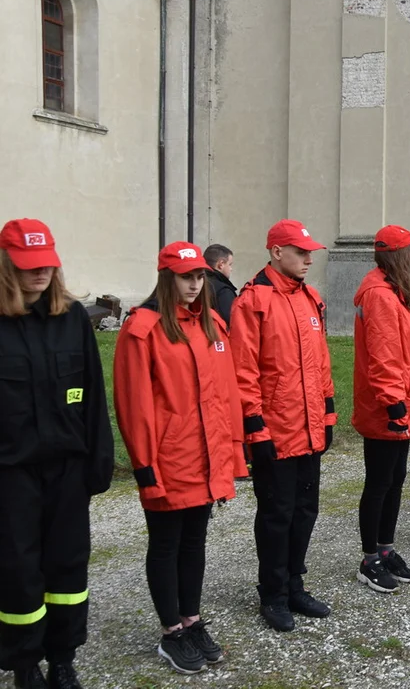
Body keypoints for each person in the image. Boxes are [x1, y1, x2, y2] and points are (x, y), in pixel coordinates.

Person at [114, 242, 246, 675]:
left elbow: (225, 397)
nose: (194, 284)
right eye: (186, 276)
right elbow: (135, 405)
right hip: (169, 459)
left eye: (200, 276)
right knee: (167, 543)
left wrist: (232, 454)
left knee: (195, 542)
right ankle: (171, 631)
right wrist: (145, 466)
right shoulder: (144, 328)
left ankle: (191, 619)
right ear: (167, 276)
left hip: (205, 457)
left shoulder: (212, 325)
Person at [0, 219, 113, 689]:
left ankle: (63, 656)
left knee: (68, 567)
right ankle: (25, 663)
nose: (40, 272)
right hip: (12, 473)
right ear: (7, 266)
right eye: (29, 266)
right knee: (20, 570)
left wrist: (98, 459)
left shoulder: (71, 318)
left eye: (47, 263)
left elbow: (92, 394)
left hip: (67, 468)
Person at [230, 219, 337, 631]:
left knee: (305, 510)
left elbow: (322, 365)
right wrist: (255, 430)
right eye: (300, 251)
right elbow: (244, 372)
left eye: (309, 252)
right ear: (276, 252)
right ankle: (272, 593)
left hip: (308, 428)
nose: (309, 259)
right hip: (275, 432)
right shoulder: (253, 301)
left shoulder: (310, 298)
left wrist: (327, 415)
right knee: (277, 515)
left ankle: (294, 584)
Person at [353, 225, 410, 593]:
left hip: (401, 404)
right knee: (380, 482)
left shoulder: (396, 294)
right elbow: (383, 357)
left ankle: (386, 548)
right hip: (387, 408)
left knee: (395, 480)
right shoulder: (380, 296)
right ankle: (369, 559)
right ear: (398, 255)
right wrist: (395, 405)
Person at [203, 244, 237, 327]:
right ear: (221, 264)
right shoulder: (223, 291)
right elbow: (233, 323)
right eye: (230, 264)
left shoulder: (198, 284)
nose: (231, 269)